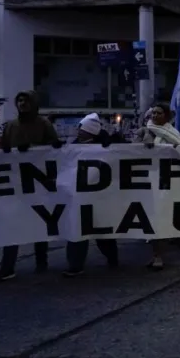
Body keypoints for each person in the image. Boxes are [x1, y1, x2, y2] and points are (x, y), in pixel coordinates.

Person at [0, 90, 62, 282]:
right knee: (12, 225)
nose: (22, 103)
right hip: (16, 183)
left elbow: (52, 147)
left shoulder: (44, 124)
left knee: (40, 223)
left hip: (38, 183)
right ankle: (7, 266)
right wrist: (12, 151)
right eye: (20, 100)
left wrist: (42, 147)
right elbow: (2, 151)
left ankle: (42, 261)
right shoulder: (10, 126)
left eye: (26, 100)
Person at [63, 114, 120, 276]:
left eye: (83, 128)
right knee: (77, 231)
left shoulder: (106, 146)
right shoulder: (74, 147)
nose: (79, 131)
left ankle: (112, 257)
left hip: (99, 197)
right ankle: (75, 265)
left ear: (91, 132)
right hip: (79, 197)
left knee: (103, 232)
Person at [138, 105, 180, 270]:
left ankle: (159, 255)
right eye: (153, 113)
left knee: (160, 218)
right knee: (150, 218)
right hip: (148, 180)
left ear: (167, 116)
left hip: (165, 179)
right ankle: (155, 254)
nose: (155, 115)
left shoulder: (172, 133)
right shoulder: (146, 130)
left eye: (159, 113)